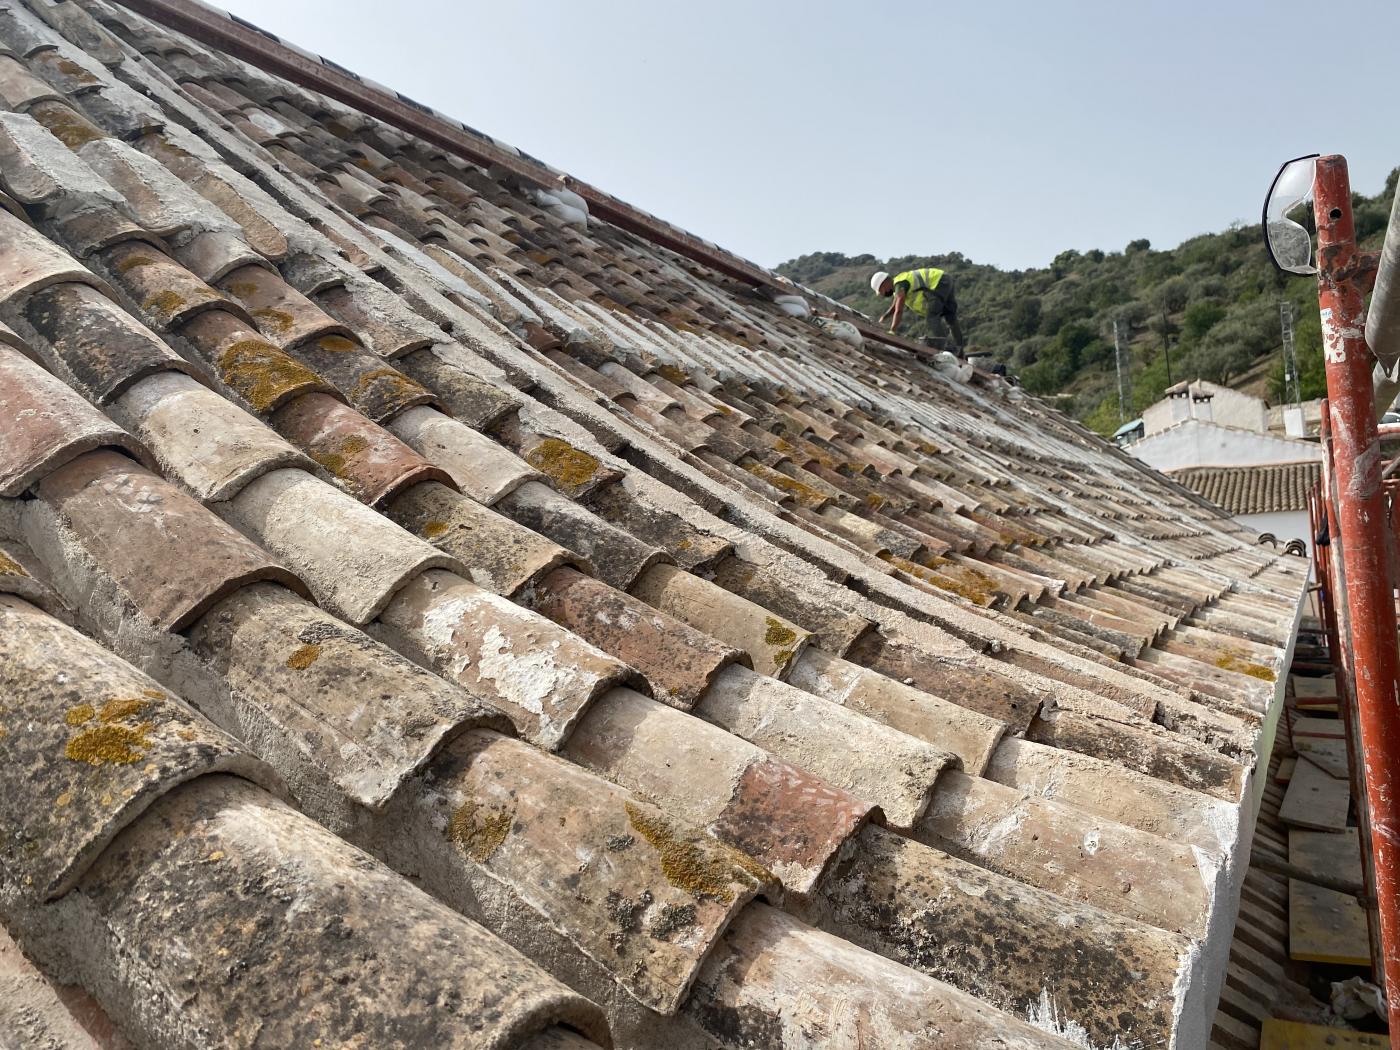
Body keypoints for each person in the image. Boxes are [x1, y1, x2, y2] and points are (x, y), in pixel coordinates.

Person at [871, 267, 964, 350]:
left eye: (881, 291)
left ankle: (945, 348)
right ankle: (960, 350)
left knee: (931, 317)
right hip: (944, 279)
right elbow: (894, 308)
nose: (883, 294)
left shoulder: (900, 284)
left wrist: (892, 331)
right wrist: (883, 318)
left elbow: (899, 310)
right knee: (950, 316)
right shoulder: (898, 286)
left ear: (884, 284)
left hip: (938, 282)